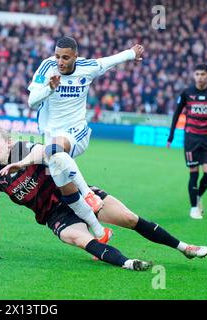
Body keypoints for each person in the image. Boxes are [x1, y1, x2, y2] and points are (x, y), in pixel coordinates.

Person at [0, 128, 207, 271]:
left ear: (9, 142)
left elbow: (45, 151)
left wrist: (21, 163)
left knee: (128, 218)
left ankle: (184, 248)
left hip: (74, 194)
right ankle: (128, 263)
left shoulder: (23, 149)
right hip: (55, 216)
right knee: (76, 237)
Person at [26, 36, 144, 241]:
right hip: (51, 137)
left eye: (65, 57)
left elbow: (109, 60)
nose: (60, 62)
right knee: (68, 194)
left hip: (75, 134)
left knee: (53, 151)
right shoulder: (47, 67)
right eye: (57, 56)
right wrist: (49, 89)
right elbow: (31, 101)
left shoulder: (87, 67)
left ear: (75, 57)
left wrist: (132, 54)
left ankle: (89, 194)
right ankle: (100, 233)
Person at [167, 64, 207, 219]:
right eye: (197, 74)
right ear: (194, 75)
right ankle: (193, 207)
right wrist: (171, 136)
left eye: (203, 74)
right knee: (194, 173)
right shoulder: (187, 93)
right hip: (191, 140)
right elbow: (177, 114)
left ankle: (198, 196)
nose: (200, 77)